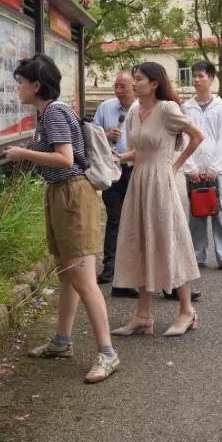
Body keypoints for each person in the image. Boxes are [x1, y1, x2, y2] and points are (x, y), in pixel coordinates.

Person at [4, 54, 119, 384]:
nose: (18, 88)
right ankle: (61, 342)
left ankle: (108, 353)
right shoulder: (50, 112)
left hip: (71, 194)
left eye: (21, 83)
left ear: (37, 86)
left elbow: (65, 158)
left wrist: (23, 154)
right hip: (62, 193)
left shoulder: (53, 112)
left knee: (82, 278)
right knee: (68, 274)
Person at [110, 62, 206, 337]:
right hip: (139, 181)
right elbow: (138, 152)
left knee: (169, 240)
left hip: (161, 182)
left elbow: (197, 137)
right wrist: (118, 157)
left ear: (154, 84)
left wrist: (175, 166)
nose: (134, 83)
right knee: (141, 242)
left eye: (139, 79)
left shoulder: (167, 109)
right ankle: (143, 316)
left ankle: (187, 312)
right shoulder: (134, 111)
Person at [182, 60, 222, 272]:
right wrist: (191, 168)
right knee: (196, 214)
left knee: (219, 213)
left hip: (217, 171)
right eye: (194, 76)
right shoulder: (186, 108)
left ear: (211, 79)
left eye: (201, 76)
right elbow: (184, 140)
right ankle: (197, 255)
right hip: (194, 171)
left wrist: (214, 169)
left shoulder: (221, 108)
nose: (197, 80)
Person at [92, 71, 139, 295]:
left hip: (136, 170)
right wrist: (105, 135)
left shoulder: (142, 108)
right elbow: (92, 136)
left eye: (123, 86)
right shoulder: (106, 107)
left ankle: (134, 268)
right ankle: (110, 267)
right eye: (116, 86)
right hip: (112, 170)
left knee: (136, 219)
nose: (118, 90)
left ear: (134, 86)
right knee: (115, 218)